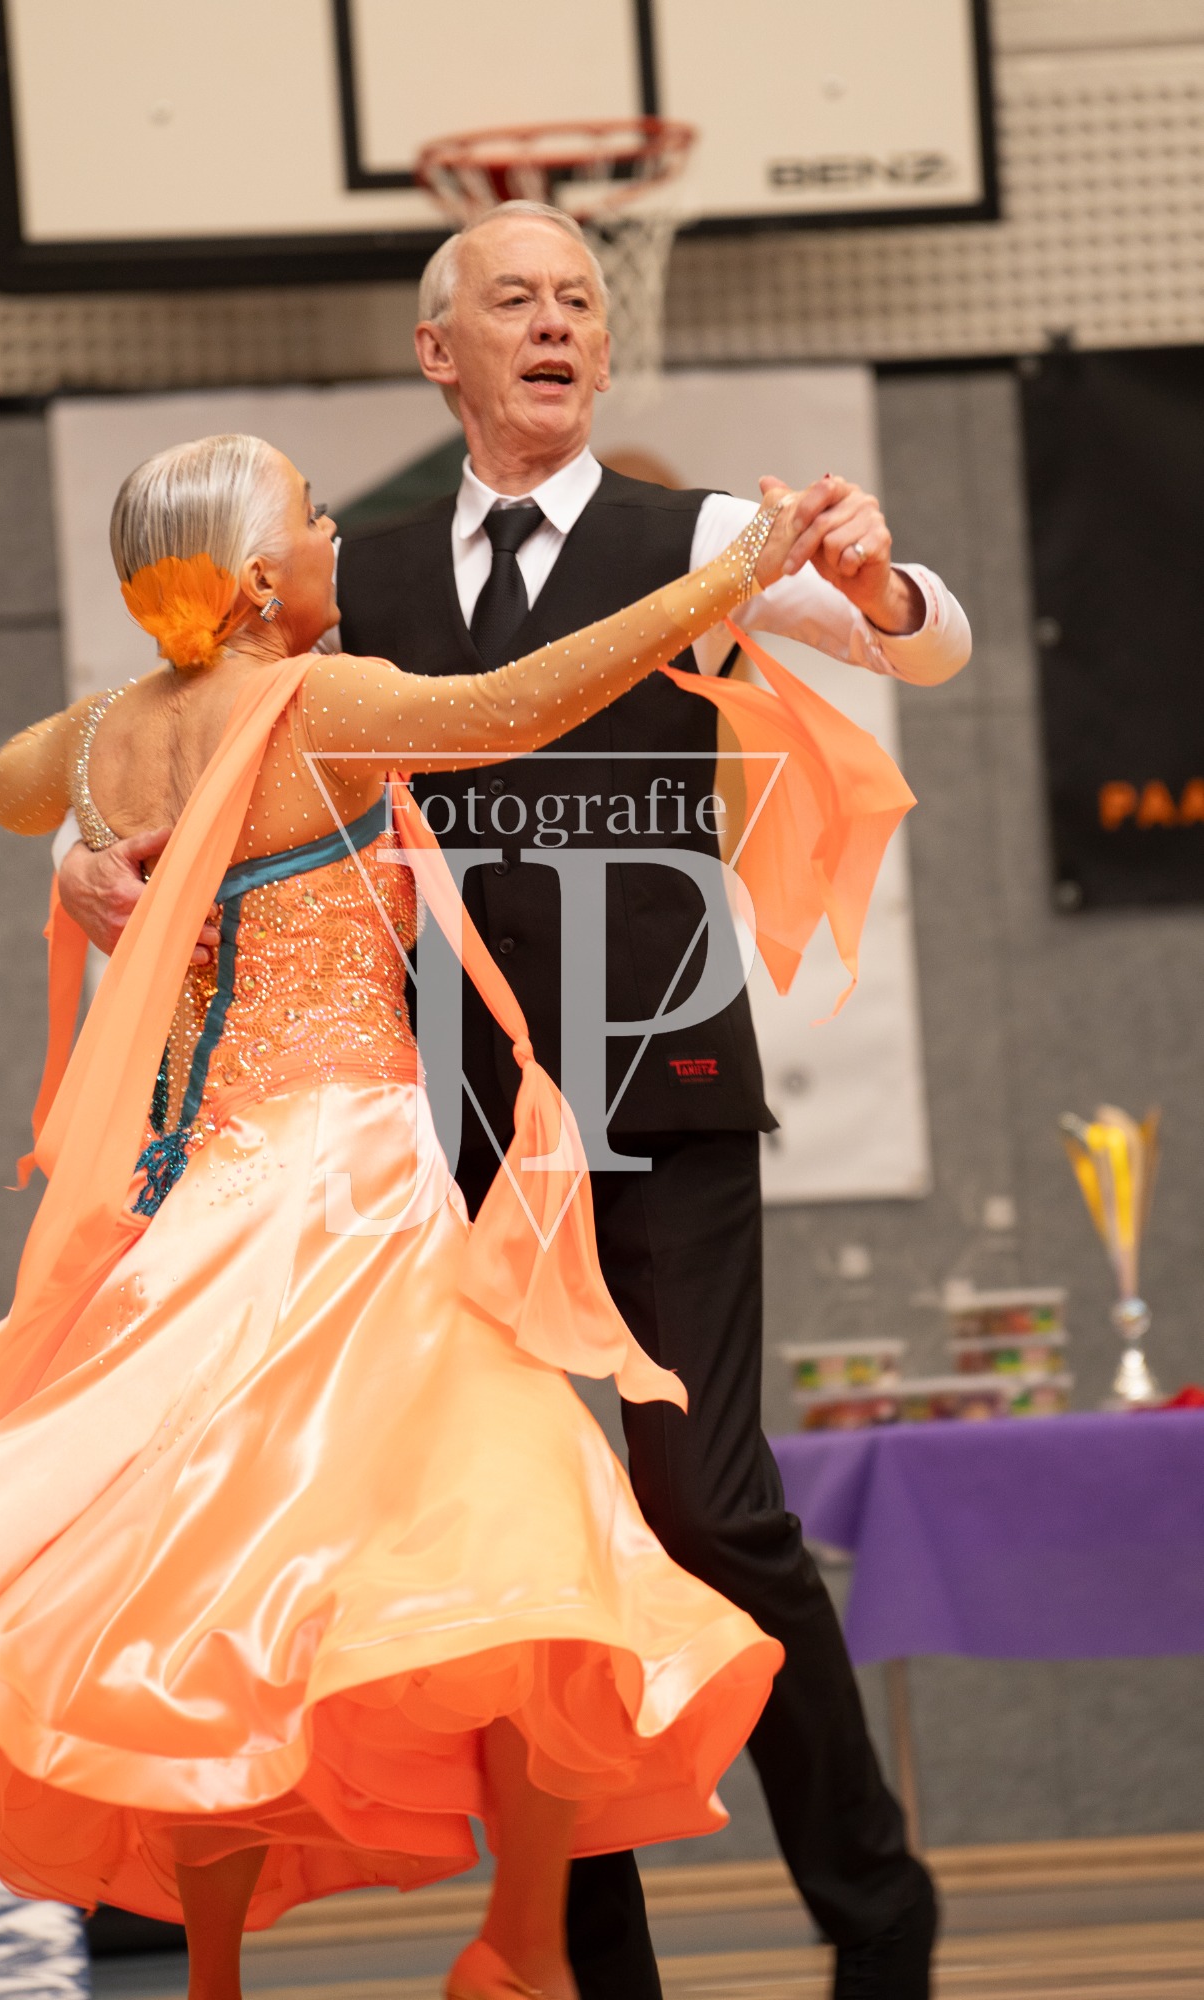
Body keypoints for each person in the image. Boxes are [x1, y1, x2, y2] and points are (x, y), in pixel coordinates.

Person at [56, 204, 972, 2000]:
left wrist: (876, 585)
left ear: (602, 351)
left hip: (658, 1084)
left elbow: (918, 646)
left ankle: (876, 1907)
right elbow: (161, 735)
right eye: (515, 301)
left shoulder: (693, 537)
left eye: (577, 301)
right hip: (444, 1125)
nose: (554, 323)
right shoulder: (354, 579)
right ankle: (580, 1965)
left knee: (706, 1512)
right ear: (440, 352)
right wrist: (92, 858)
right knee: (525, 1558)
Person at [0, 434, 840, 2000]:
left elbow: (5, 782)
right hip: (351, 1193)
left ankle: (219, 1975)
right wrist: (728, 572)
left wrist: (82, 850)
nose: (338, 533)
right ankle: (522, 1945)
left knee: (199, 1582)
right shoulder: (314, 704)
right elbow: (514, 707)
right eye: (315, 518)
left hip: (195, 1204)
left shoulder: (110, 730)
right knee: (528, 1531)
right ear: (260, 580)